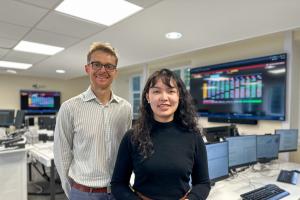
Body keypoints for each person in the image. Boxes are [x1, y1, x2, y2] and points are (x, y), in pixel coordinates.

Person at [111, 69, 211, 200]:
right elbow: (118, 184)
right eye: (157, 91)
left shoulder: (193, 136)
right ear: (148, 97)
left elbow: (203, 183)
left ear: (179, 96)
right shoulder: (132, 137)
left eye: (171, 91)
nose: (164, 97)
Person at [54, 42, 132, 200]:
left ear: (115, 72)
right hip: (84, 193)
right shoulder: (69, 108)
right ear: (87, 68)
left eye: (109, 66)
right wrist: (73, 191)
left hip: (119, 191)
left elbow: (127, 150)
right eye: (97, 64)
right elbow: (61, 154)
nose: (103, 70)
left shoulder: (125, 108)